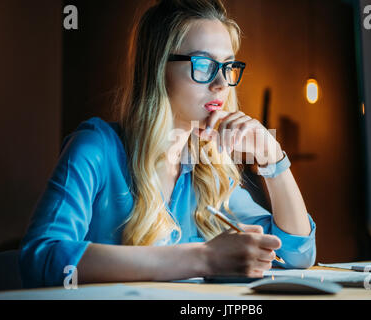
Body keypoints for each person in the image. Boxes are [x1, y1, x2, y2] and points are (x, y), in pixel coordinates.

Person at [19, 0, 316, 288]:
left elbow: (297, 255)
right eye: (203, 64)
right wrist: (203, 259)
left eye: (227, 66)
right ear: (159, 69)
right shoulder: (96, 148)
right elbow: (42, 258)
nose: (221, 83)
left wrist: (273, 160)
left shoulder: (209, 170)